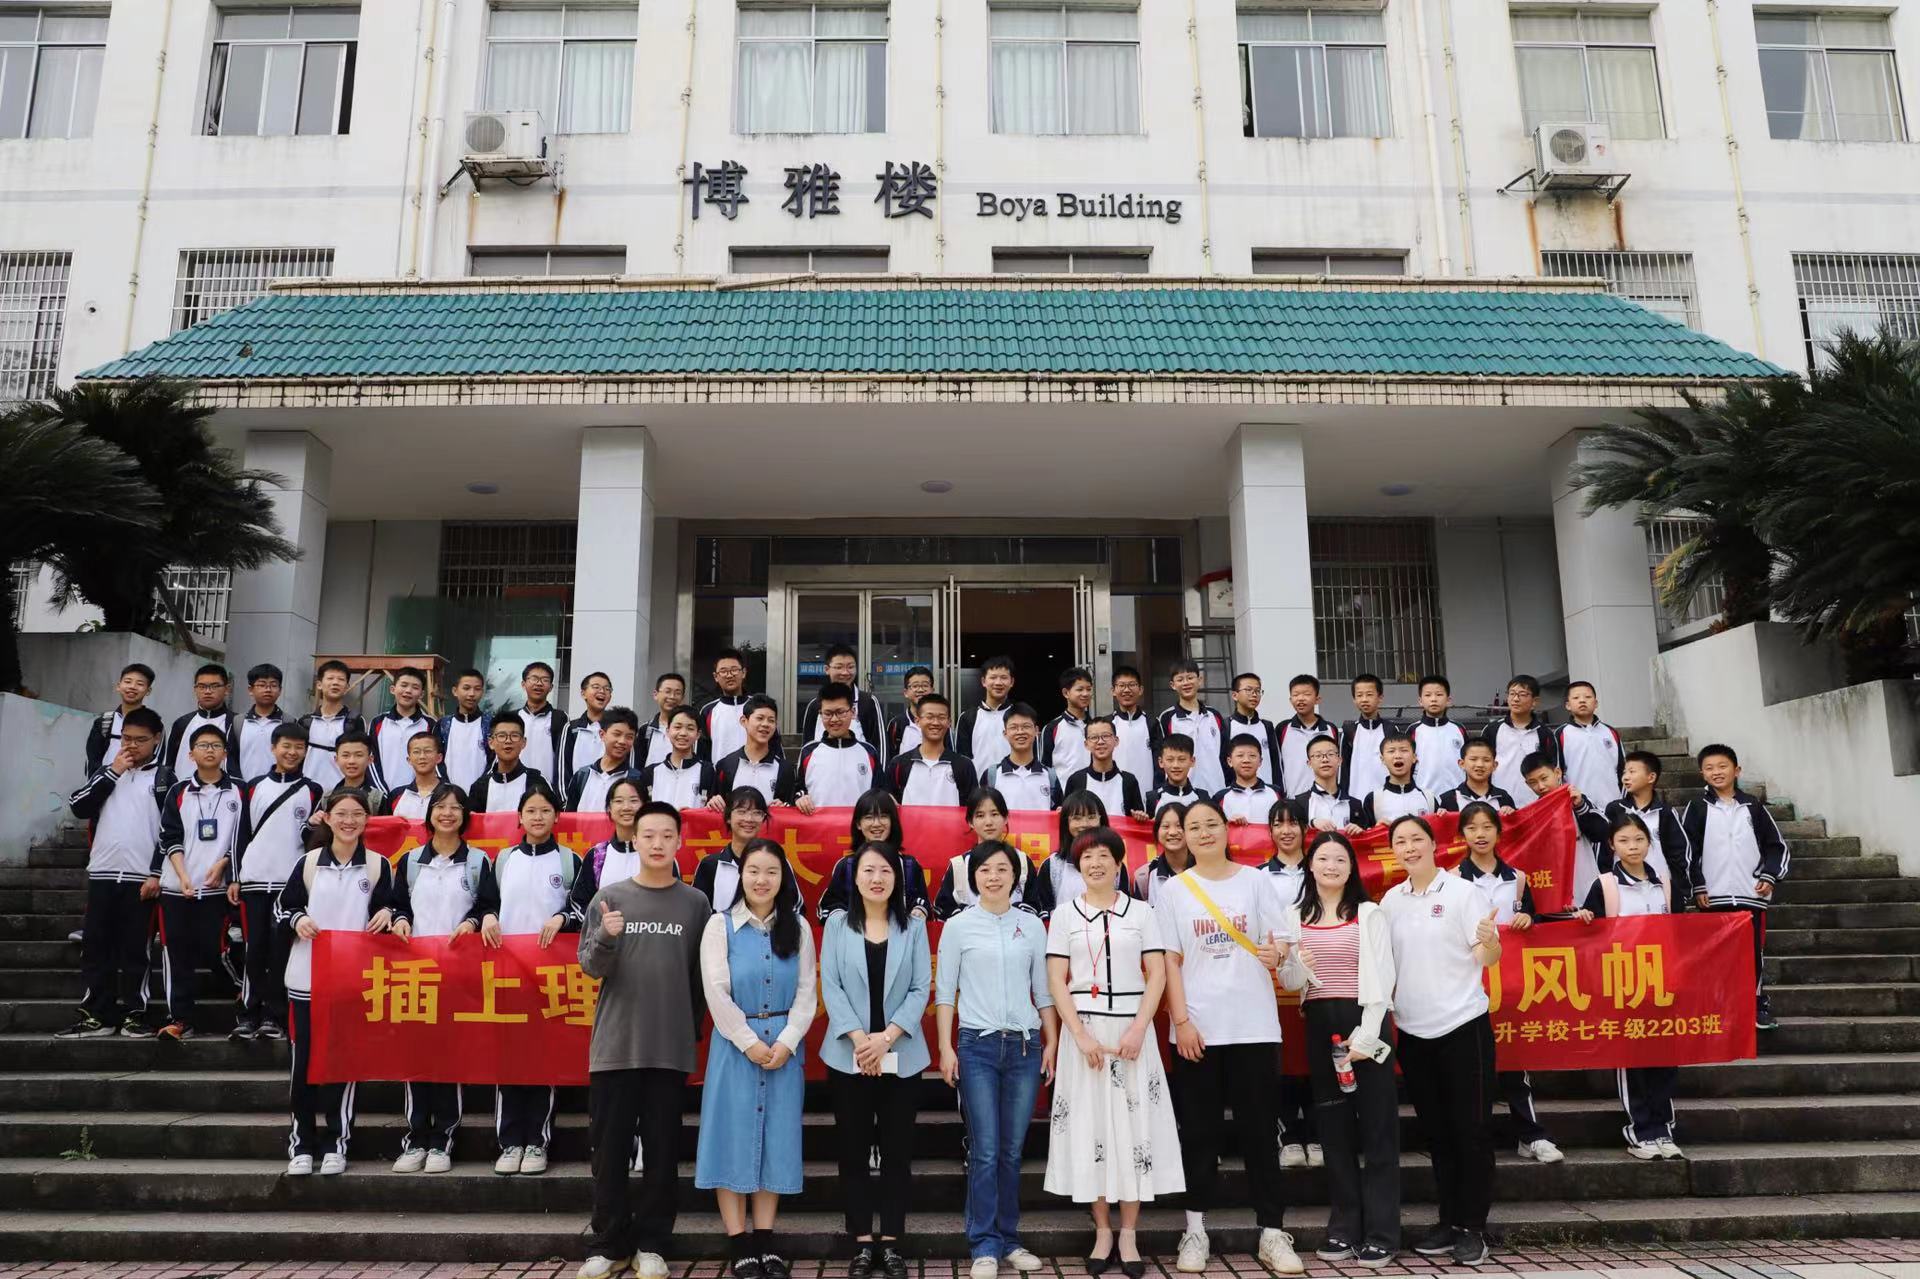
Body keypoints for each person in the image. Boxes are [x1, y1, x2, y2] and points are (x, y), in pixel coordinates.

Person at [1156, 797, 1299, 1276]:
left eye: (1211, 824)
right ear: (1182, 836)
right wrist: (1181, 1022)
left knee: (1260, 1133)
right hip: (1198, 1029)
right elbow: (1170, 961)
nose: (1203, 832)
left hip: (1253, 1026)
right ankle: (1195, 1230)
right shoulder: (1174, 890)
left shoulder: (1255, 881)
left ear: (1226, 829)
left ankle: (1272, 1232)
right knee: (1199, 1135)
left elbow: (1281, 940)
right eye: (1193, 826)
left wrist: (1277, 954)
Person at [576, 801, 712, 1279]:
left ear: (679, 842)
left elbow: (701, 979)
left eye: (666, 835)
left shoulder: (695, 904)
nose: (657, 844)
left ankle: (652, 1244)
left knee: (662, 1151)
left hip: (669, 1049)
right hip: (615, 1048)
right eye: (648, 835)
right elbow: (590, 967)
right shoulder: (609, 897)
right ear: (633, 839)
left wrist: (687, 1029)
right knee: (609, 1152)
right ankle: (608, 1244)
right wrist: (607, 936)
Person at [1044, 827, 1184, 1277]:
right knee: (1093, 1130)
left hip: (1131, 1034)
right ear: (1077, 866)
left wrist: (1140, 1028)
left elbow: (1157, 974)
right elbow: (1056, 980)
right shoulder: (1064, 915)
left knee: (1133, 1131)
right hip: (1083, 1034)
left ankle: (1129, 1233)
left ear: (1120, 863)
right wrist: (1079, 1035)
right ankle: (1102, 1230)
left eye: (1105, 855)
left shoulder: (1142, 912)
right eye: (1087, 857)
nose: (1096, 863)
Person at [1379, 815, 1503, 1267]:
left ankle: (1474, 1227)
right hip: (1413, 1032)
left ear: (1434, 844)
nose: (1409, 847)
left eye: (1417, 839)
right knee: (1438, 1133)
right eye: (1400, 841)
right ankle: (1449, 1221)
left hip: (1462, 1026)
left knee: (1471, 1130)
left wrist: (1490, 941)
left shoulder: (1462, 893)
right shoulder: (1390, 901)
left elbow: (1487, 956)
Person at [935, 840, 1059, 1279]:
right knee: (985, 1150)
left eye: (1002, 869)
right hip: (978, 1047)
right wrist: (946, 1047)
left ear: (1015, 876)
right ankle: (984, 1244)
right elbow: (945, 992)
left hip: (1025, 1047)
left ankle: (1010, 1239)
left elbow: (1043, 991)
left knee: (1011, 1150)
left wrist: (1052, 1042)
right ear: (974, 877)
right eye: (984, 869)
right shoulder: (959, 926)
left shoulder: (1031, 925)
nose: (993, 876)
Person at [696, 838, 817, 1279]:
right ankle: (739, 1243)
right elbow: (716, 992)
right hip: (735, 1048)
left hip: (784, 1048)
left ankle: (765, 1241)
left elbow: (807, 992)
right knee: (732, 1137)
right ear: (740, 876)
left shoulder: (798, 928)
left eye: (771, 872)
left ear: (783, 878)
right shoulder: (719, 926)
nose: (761, 880)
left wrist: (788, 1040)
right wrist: (748, 1041)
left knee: (775, 1141)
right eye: (753, 871)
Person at [1277, 832, 1399, 1267]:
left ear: (1351, 868)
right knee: (1333, 1130)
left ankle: (1383, 1232)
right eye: (1324, 858)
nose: (1331, 866)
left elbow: (1383, 978)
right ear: (1310, 865)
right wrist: (1295, 965)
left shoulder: (1369, 913)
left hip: (1366, 1024)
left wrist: (1365, 1039)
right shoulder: (1294, 915)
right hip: (1320, 1028)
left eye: (1340, 859)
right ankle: (1345, 1227)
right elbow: (1291, 982)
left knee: (1378, 1130)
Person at [821, 842, 931, 1279]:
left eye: (885, 870)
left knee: (897, 1153)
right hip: (847, 1056)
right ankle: (863, 1241)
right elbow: (831, 986)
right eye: (868, 870)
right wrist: (859, 1039)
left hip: (901, 1055)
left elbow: (920, 988)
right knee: (852, 1151)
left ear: (897, 878)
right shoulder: (836, 925)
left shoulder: (914, 927)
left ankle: (892, 1241)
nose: (877, 878)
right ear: (855, 877)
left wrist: (885, 1039)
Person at [275, 786, 399, 1175]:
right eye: (341, 814)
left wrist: (388, 915)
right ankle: (301, 1144)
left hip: (352, 984)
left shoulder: (378, 865)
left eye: (357, 814)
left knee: (343, 1065)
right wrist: (298, 919)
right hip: (306, 981)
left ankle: (336, 1144)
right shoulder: (309, 863)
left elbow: (393, 908)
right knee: (303, 1067)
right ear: (327, 818)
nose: (349, 821)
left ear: (367, 821)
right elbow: (282, 909)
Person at [476, 784, 584, 1175]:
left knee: (543, 1058)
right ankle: (509, 1142)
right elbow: (485, 903)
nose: (538, 817)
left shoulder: (570, 860)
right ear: (519, 818)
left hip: (550, 976)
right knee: (508, 1057)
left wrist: (562, 918)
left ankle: (537, 1141)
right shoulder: (504, 859)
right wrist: (488, 916)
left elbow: (581, 908)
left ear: (557, 817)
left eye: (545, 811)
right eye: (531, 811)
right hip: (506, 974)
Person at [386, 783, 491, 1172]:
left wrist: (473, 922)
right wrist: (400, 919)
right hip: (417, 974)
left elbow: (489, 904)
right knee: (415, 1057)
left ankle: (443, 1139)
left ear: (465, 815)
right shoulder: (411, 861)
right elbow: (398, 904)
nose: (447, 813)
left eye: (455, 807)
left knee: (448, 1058)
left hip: (458, 974)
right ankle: (415, 1139)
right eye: (441, 806)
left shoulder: (478, 862)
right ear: (430, 814)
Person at [1452, 803, 1561, 1165]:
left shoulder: (1518, 878)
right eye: (1472, 828)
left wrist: (1528, 918)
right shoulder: (1452, 880)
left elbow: (1531, 918)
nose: (1480, 834)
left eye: (1487, 827)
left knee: (1515, 1060)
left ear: (1499, 833)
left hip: (1511, 983)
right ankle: (1473, 1142)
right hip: (1466, 983)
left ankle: (1531, 1135)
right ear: (1462, 835)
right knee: (1471, 1068)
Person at [58, 706, 170, 1038]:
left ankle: (136, 1013)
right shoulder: (107, 773)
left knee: (136, 950)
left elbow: (172, 832)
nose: (132, 745)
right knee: (96, 946)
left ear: (157, 739)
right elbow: (79, 806)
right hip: (103, 873)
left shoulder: (166, 779)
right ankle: (97, 1014)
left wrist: (156, 873)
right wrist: (113, 772)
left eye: (140, 739)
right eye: (127, 738)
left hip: (141, 879)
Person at [1582, 812, 1685, 1159]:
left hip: (1662, 983)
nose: (1633, 846)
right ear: (1612, 845)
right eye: (1624, 840)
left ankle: (1664, 1129)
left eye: (1639, 839)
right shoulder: (1605, 885)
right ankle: (1640, 1131)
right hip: (1624, 984)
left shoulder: (1664, 883)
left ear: (1649, 842)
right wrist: (1584, 918)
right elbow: (1590, 934)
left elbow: (1682, 930)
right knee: (1632, 1060)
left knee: (1664, 1059)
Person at [1681, 743, 1788, 1031]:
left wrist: (1769, 875)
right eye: (1709, 768)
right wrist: (1697, 885)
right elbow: (1687, 851)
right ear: (1702, 774)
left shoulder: (1753, 806)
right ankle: (1717, 1008)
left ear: (1736, 770)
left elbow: (1776, 846)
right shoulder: (1696, 807)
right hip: (1712, 896)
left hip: (1751, 894)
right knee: (1714, 954)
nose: (1716, 772)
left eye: (1722, 766)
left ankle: (1756, 1006)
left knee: (1752, 954)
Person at [231, 723, 322, 1041]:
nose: (292, 752)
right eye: (286, 745)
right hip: (254, 880)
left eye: (299, 747)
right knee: (254, 950)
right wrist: (235, 877)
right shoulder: (253, 787)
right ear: (273, 748)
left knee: (282, 950)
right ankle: (248, 1014)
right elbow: (240, 834)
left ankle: (275, 1016)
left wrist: (313, 826)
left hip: (289, 886)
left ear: (306, 751)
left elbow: (312, 842)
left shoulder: (313, 790)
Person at [153, 724, 242, 1040]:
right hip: (177, 888)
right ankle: (180, 1019)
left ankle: (243, 991)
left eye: (216, 745)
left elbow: (244, 837)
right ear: (190, 754)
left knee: (215, 948)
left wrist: (226, 863)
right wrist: (182, 876)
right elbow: (170, 836)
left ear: (225, 753)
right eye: (203, 745)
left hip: (217, 889)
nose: (209, 750)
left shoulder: (240, 791)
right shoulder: (178, 792)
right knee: (176, 955)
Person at [1262, 797, 1317, 1170]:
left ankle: (1316, 1132)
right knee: (1282, 1059)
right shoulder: (1259, 876)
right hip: (1274, 979)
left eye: (1293, 823)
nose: (1286, 830)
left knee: (1316, 1055)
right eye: (1278, 824)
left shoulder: (1320, 869)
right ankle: (1289, 1135)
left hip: (1318, 975)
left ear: (1304, 828)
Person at [1521, 752, 1613, 913]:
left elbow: (1602, 833)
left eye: (1544, 778)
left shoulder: (1577, 800)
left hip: (1585, 880)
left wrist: (1580, 805)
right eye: (1533, 782)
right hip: (1553, 887)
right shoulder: (1533, 813)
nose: (1540, 786)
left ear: (1557, 773)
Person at [818, 790, 932, 920]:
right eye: (869, 817)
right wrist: (844, 920)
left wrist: (919, 910)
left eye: (883, 816)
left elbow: (924, 903)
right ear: (858, 824)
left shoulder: (909, 866)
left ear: (892, 821)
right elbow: (828, 907)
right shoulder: (846, 866)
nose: (877, 824)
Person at [933, 787, 1035, 919]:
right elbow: (942, 911)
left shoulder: (1022, 862)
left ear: (1005, 818)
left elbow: (1035, 907)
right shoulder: (959, 865)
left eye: (994, 814)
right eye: (980, 816)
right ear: (970, 822)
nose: (989, 822)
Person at [1609, 750, 1692, 903]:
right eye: (1624, 772)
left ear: (1651, 777)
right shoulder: (1615, 810)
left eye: (1632, 772)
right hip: (1621, 890)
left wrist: (1682, 890)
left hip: (1660, 889)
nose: (1625, 777)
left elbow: (1680, 853)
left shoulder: (1666, 812)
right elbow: (1603, 850)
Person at [795, 683, 882, 812]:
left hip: (858, 824)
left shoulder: (868, 752)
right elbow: (797, 789)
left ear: (853, 712)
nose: (834, 719)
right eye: (828, 713)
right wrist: (799, 798)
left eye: (840, 712)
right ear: (820, 714)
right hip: (819, 824)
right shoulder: (808, 752)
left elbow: (880, 792)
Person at [883, 692, 979, 805]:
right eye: (929, 717)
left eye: (941, 717)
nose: (935, 723)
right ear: (917, 721)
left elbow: (973, 808)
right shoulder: (899, 764)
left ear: (949, 722)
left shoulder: (964, 766)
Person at [1027, 790, 1110, 919]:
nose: (1085, 824)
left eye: (1091, 817)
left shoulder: (1114, 863)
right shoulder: (1052, 866)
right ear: (1066, 822)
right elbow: (1045, 911)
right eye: (1077, 818)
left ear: (1101, 819)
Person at [1480, 675, 1555, 808]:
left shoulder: (1544, 733)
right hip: (1499, 804)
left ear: (1535, 701)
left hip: (1536, 805)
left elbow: (1553, 770)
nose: (1515, 699)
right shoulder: (1492, 730)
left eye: (1522, 694)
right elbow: (1481, 767)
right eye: (1512, 694)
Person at [694, 787, 774, 913]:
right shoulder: (710, 865)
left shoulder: (776, 863)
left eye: (757, 813)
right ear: (728, 817)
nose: (749, 819)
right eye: (742, 812)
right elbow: (697, 912)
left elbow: (793, 908)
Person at [713, 695, 800, 807]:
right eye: (760, 718)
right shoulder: (726, 765)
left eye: (771, 720)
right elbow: (716, 806)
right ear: (744, 721)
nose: (765, 724)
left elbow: (791, 808)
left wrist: (785, 807)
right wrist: (713, 802)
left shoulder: (785, 769)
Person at [1159, 661, 1226, 795]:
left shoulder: (1214, 716)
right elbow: (1161, 759)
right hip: (1182, 793)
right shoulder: (1166, 718)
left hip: (1216, 789)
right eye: (1180, 679)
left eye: (1190, 678)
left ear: (1200, 680)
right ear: (1173, 685)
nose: (1186, 683)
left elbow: (1225, 754)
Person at [1063, 716, 1147, 820]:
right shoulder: (1075, 780)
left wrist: (1140, 817)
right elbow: (1067, 820)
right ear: (1086, 744)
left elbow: (1137, 822)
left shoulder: (1129, 781)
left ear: (1116, 740)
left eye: (1106, 736)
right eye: (1094, 737)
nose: (1100, 742)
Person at [803, 644, 885, 747]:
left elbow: (880, 745)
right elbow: (807, 746)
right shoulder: (815, 705)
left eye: (850, 667)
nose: (845, 672)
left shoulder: (868, 702)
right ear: (827, 669)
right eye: (839, 667)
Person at [368, 667, 434, 794]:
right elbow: (371, 760)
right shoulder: (377, 723)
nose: (408, 691)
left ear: (421, 694)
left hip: (417, 795)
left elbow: (433, 762)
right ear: (392, 689)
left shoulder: (431, 724)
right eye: (404, 685)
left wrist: (417, 793)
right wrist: (382, 793)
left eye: (415, 687)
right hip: (383, 795)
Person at [300, 659, 364, 791]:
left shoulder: (354, 721)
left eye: (341, 679)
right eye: (330, 678)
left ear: (347, 687)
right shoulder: (306, 722)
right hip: (307, 791)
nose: (335, 683)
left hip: (341, 793)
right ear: (319, 684)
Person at [986, 703, 1061, 812]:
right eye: (1014, 727)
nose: (1020, 732)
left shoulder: (1050, 776)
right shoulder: (992, 775)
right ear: (1005, 733)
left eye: (1026, 726)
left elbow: (1058, 812)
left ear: (1036, 731)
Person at [567, 706, 643, 813]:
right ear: (602, 734)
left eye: (629, 737)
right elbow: (569, 816)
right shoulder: (582, 776)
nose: (622, 741)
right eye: (617, 734)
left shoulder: (636, 779)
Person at [643, 706, 721, 810]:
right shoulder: (651, 773)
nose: (683, 733)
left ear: (698, 734)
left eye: (690, 728)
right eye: (677, 727)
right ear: (668, 731)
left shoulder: (707, 772)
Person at [1274, 674, 1339, 798]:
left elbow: (1338, 765)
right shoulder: (1283, 729)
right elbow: (1277, 765)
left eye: (1306, 694)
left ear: (1317, 699)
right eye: (1296, 695)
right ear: (1290, 699)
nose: (1300, 699)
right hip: (1293, 799)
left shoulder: (1330, 729)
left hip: (1326, 798)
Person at [85, 661, 156, 774]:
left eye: (140, 684)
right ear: (118, 686)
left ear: (148, 691)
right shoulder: (104, 722)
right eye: (128, 682)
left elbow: (158, 761)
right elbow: (93, 762)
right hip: (106, 782)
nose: (132, 687)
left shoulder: (154, 724)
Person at [167, 664, 235, 779]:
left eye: (214, 686)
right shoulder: (182, 723)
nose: (207, 691)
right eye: (202, 686)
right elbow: (169, 764)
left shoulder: (237, 723)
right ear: (195, 689)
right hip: (183, 788)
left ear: (227, 689)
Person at [504, 661, 567, 784]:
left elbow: (564, 758)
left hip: (547, 789)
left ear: (551, 687)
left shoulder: (559, 718)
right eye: (534, 678)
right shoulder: (512, 717)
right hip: (514, 785)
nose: (539, 683)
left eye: (545, 680)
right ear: (523, 684)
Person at [468, 713, 546, 812]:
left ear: (523, 742)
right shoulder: (479, 788)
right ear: (491, 742)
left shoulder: (537, 782)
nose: (508, 741)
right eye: (501, 736)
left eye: (514, 735)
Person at [1338, 674, 1395, 804]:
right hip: (1356, 800)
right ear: (1354, 699)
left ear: (1380, 698)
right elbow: (1343, 769)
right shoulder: (1349, 730)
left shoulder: (1390, 729)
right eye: (1359, 695)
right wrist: (1344, 797)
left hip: (1387, 799)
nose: (1364, 699)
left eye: (1369, 694)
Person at [1357, 732, 1435, 827]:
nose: (1398, 756)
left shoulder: (1428, 797)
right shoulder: (1373, 799)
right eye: (1391, 751)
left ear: (1414, 757)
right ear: (1382, 759)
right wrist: (1375, 829)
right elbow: (1366, 833)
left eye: (1404, 750)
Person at [700, 649, 762, 765]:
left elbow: (774, 744)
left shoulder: (760, 706)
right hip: (720, 775)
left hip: (757, 773)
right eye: (723, 671)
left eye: (734, 670)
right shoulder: (708, 711)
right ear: (716, 677)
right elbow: (702, 751)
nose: (729, 675)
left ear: (743, 673)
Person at [436, 667, 492, 793]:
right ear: (455, 691)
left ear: (482, 692)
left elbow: (495, 760)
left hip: (482, 794)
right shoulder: (443, 725)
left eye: (477, 689)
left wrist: (480, 787)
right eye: (466, 688)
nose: (472, 694)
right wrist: (447, 789)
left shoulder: (491, 724)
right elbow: (436, 760)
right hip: (449, 795)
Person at [956, 656, 1016, 773]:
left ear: (1011, 682)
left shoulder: (1020, 716)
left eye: (1004, 678)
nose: (998, 682)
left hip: (1013, 781)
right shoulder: (967, 717)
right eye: (993, 677)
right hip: (978, 783)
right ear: (983, 681)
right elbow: (962, 758)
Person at [1409, 675, 1466, 795]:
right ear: (1420, 701)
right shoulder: (1413, 730)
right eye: (1428, 695)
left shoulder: (1459, 729)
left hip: (1457, 796)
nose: (1433, 699)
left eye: (1439, 694)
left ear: (1448, 700)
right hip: (1424, 795)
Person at [231, 663, 286, 785]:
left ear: (280, 690)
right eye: (262, 685)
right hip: (244, 788)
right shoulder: (238, 722)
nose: (268, 689)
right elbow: (231, 758)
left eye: (273, 685)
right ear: (250, 690)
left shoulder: (288, 721)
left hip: (277, 788)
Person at [1108, 665, 1162, 789]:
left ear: (1140, 689)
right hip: (1115, 791)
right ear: (1113, 691)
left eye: (1132, 685)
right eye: (1121, 685)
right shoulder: (1107, 724)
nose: (1127, 690)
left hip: (1146, 791)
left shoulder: (1152, 723)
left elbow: (1159, 762)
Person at [1300, 734, 1363, 833]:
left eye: (1330, 754)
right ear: (1309, 763)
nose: (1325, 759)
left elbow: (1366, 836)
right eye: (1318, 755)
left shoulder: (1355, 805)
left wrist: (1360, 831)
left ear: (1339, 760)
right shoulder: (1300, 803)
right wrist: (1312, 823)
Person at [1040, 666, 1095, 779]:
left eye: (1089, 689)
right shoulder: (1052, 728)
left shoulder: (1096, 726)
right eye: (1080, 689)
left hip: (1094, 788)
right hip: (1064, 790)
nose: (1085, 694)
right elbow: (1044, 767)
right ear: (1066, 693)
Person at [1438, 740, 1519, 814]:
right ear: (1462, 764)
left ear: (1494, 765)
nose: (1480, 764)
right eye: (1473, 759)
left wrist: (1510, 812)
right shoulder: (1449, 799)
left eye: (1486, 760)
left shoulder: (1503, 797)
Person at [563, 670, 617, 783]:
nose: (602, 691)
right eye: (596, 687)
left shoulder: (615, 729)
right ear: (583, 693)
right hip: (577, 792)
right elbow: (563, 768)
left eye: (607, 689)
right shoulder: (571, 728)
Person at [379, 731, 446, 821]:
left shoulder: (452, 794)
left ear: (439, 758)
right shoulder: (396, 795)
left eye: (428, 751)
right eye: (416, 752)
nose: (422, 756)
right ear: (409, 760)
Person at [1223, 671, 1275, 787]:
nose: (1254, 694)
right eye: (1248, 690)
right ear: (1235, 695)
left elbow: (1276, 763)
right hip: (1236, 791)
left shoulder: (1267, 726)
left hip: (1266, 790)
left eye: (1258, 691)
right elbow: (1223, 763)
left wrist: (1278, 790)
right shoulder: (1226, 725)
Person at [1133, 803, 1191, 904]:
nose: (1172, 832)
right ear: (1157, 832)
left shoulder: (1206, 869)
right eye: (1166, 826)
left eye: (1179, 826)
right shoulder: (1144, 875)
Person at [885, 665, 945, 759]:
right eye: (915, 686)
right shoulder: (896, 724)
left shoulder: (941, 722)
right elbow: (890, 758)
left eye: (925, 685)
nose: (920, 690)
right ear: (906, 692)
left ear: (932, 690)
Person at [1217, 737, 1279, 825]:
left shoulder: (1276, 793)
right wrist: (1228, 823)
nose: (1246, 760)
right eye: (1240, 755)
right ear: (1230, 761)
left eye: (1252, 756)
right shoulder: (1220, 797)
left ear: (1260, 761)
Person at [1144, 735, 1202, 814]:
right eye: (1170, 760)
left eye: (1181, 759)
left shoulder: (1202, 796)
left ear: (1192, 761)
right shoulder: (1153, 798)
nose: (1176, 765)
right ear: (1161, 762)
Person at [642, 672, 690, 767]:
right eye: (667, 691)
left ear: (683, 697)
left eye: (677, 693)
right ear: (655, 694)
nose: (672, 697)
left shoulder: (691, 730)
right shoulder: (646, 730)